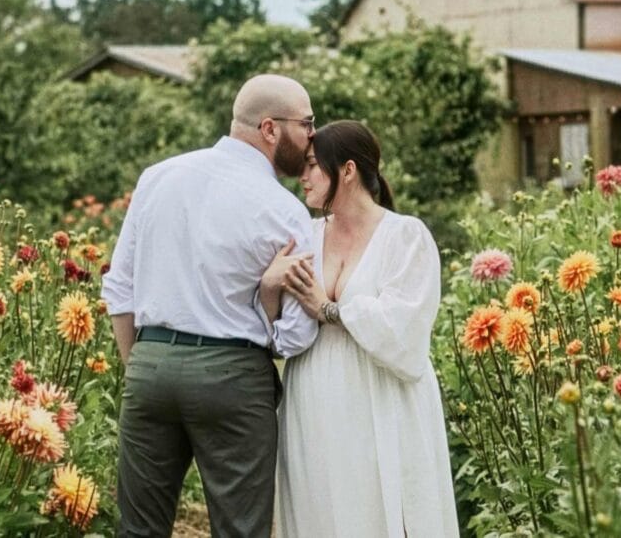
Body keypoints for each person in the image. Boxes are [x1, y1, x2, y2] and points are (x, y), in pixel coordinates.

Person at [101, 74, 320, 538]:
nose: (312, 137)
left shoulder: (158, 176)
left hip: (150, 366)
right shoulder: (285, 210)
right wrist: (266, 300)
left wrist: (140, 365)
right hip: (232, 377)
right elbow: (297, 334)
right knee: (240, 529)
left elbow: (120, 287)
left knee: (138, 530)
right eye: (307, 123)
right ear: (270, 129)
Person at [260, 120, 460, 537]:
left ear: (347, 170)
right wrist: (269, 288)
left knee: (380, 504)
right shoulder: (305, 237)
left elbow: (405, 330)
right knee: (320, 504)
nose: (303, 176)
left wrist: (330, 309)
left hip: (381, 394)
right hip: (313, 395)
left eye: (313, 165)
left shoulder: (405, 237)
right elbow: (277, 330)